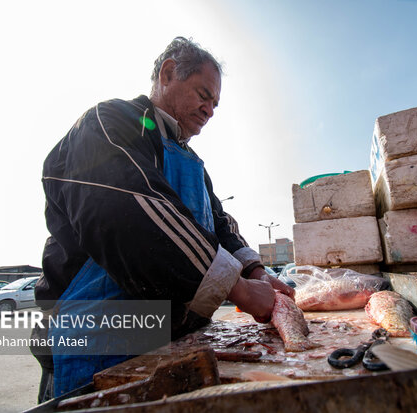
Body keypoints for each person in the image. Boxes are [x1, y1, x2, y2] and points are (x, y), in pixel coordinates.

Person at [31, 36, 294, 401]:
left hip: (172, 342)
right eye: (203, 95)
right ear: (168, 73)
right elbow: (132, 215)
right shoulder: (108, 124)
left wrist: (257, 272)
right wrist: (245, 293)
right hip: (95, 339)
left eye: (215, 104)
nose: (209, 110)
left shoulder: (195, 165)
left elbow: (220, 224)